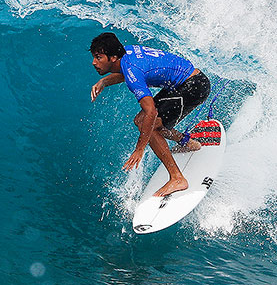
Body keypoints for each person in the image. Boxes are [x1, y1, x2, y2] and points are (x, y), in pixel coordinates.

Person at [89, 32, 211, 197]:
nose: (94, 62)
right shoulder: (126, 53)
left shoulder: (132, 71)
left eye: (98, 57)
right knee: (141, 121)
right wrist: (104, 81)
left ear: (113, 57)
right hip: (184, 82)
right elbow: (128, 72)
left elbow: (151, 111)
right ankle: (188, 143)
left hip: (194, 87)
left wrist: (139, 149)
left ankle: (177, 178)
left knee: (150, 124)